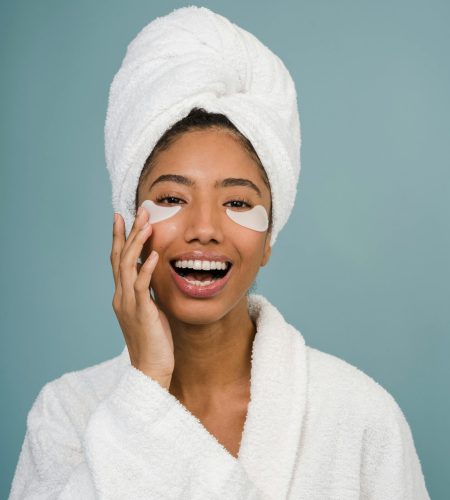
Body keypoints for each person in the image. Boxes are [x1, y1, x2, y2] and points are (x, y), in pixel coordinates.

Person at [9, 6, 430, 500]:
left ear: (269, 237)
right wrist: (145, 387)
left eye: (237, 202)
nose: (205, 229)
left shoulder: (360, 417)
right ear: (127, 224)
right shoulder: (66, 414)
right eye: (171, 198)